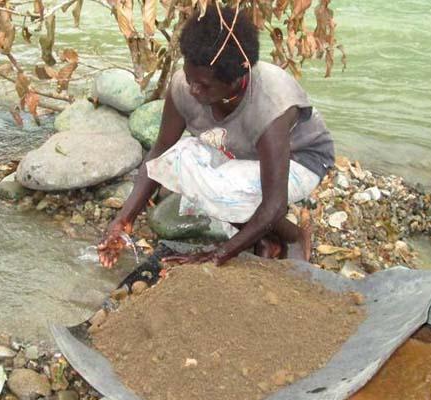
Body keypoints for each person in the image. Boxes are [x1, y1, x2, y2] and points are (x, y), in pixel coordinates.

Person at [98, 5, 334, 268]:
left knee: (219, 190)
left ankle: (292, 238)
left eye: (205, 86)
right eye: (190, 79)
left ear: (237, 80)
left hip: (300, 160)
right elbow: (159, 153)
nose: (194, 91)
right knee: (179, 160)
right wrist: (123, 220)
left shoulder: (271, 103)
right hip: (242, 155)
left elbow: (275, 203)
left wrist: (218, 254)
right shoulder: (185, 86)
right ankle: (265, 239)